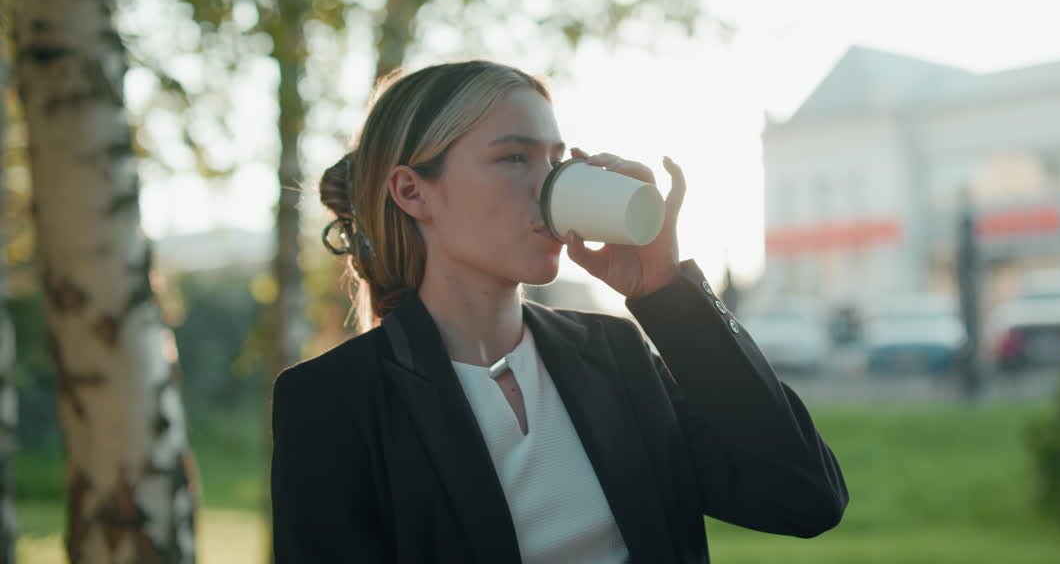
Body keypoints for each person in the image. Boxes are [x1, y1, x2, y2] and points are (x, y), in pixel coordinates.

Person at [271, 60, 848, 563]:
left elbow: (805, 496)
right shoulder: (333, 401)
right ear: (412, 191)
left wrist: (667, 292)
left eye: (556, 159)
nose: (550, 186)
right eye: (514, 158)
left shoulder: (615, 357)